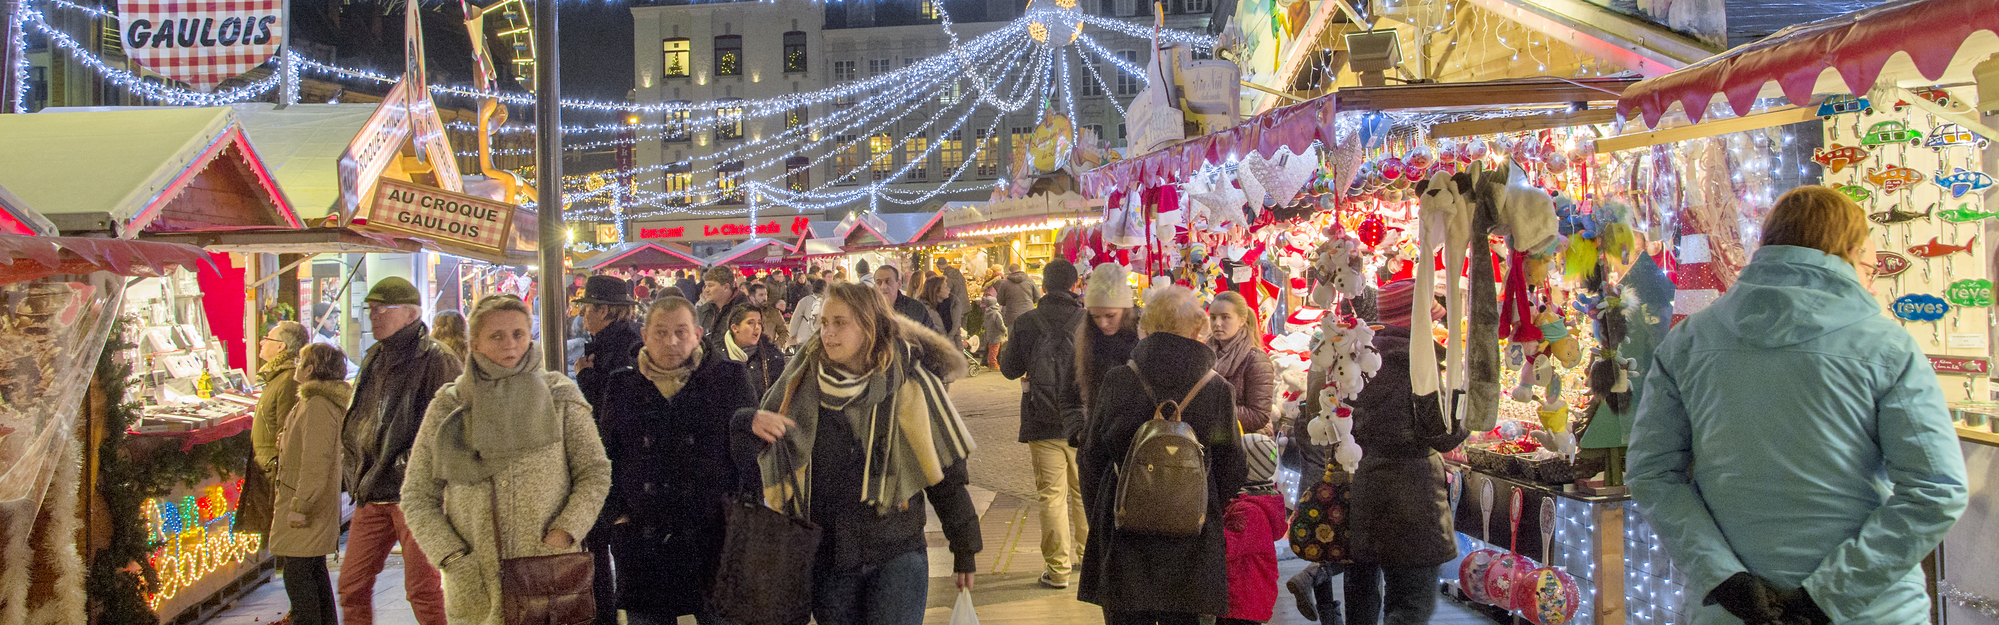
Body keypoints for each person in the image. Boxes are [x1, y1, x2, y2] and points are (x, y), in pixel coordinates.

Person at [1628, 186, 1969, 625]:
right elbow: (1936, 489)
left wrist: (1723, 579)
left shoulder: (1690, 341)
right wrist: (1830, 594)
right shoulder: (1888, 347)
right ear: (1850, 251)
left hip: (1733, 610)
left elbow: (1652, 473)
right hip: (1865, 611)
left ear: (1767, 244)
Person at [740, 283, 982, 625]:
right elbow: (761, 454)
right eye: (824, 323)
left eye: (840, 322)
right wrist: (744, 422)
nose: (828, 333)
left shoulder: (909, 383)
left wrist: (965, 548)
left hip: (897, 552)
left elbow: (946, 474)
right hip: (829, 559)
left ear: (869, 325)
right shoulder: (798, 384)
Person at [402, 295, 614, 625]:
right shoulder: (449, 407)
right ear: (475, 342)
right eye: (497, 336)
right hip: (475, 584)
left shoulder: (559, 396)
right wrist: (452, 555)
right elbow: (417, 495)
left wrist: (564, 532)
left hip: (547, 576)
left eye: (518, 333)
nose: (510, 344)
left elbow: (594, 472)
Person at [1077, 286, 1243, 625]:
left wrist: (1103, 515)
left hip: (1125, 533)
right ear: (1198, 328)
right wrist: (1201, 501)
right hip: (1190, 539)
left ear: (1147, 327)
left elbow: (1090, 456)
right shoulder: (1217, 389)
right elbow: (1233, 465)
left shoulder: (1119, 380)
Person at [597, 297, 759, 625]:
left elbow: (748, 457)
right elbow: (607, 456)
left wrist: (746, 519)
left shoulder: (728, 379)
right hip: (644, 539)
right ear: (644, 335)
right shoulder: (622, 385)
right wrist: (617, 516)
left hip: (714, 537)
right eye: (661, 332)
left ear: (698, 334)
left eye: (681, 332)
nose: (671, 341)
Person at [339, 277, 461, 625]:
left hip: (414, 491)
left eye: (381, 309)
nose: (373, 316)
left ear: (410, 314)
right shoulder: (374, 356)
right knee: (351, 585)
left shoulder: (436, 358)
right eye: (371, 309)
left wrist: (416, 471)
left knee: (423, 589)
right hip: (374, 487)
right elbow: (362, 417)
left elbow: (450, 427)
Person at [1342, 279, 1460, 625]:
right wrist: (1464, 406)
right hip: (1414, 501)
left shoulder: (1357, 359)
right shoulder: (1418, 365)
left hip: (1364, 491)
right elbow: (1443, 435)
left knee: (1364, 602)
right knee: (1410, 606)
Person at [999, 259, 1089, 589]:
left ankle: (1058, 571)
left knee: (1051, 497)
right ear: (1076, 284)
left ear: (1044, 286)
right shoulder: (1087, 321)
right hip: (1081, 422)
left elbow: (1008, 369)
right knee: (1083, 493)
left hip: (1042, 420)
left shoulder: (1027, 322)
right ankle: (1087, 557)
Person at [569, 275, 642, 625]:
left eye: (587, 308)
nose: (583, 314)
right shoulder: (608, 340)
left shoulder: (622, 346)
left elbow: (614, 403)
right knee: (600, 543)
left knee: (606, 544)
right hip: (610, 460)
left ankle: (607, 615)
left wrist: (584, 376)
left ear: (606, 310)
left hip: (616, 462)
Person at [270, 343, 352, 625]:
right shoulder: (311, 401)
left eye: (300, 361)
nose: (296, 366)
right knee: (312, 570)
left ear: (310, 369)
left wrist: (301, 505)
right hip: (303, 499)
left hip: (306, 504)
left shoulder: (317, 404)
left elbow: (316, 460)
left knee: (298, 574)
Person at [239, 320, 308, 537]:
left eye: (267, 338)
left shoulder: (288, 379)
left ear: (281, 346)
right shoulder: (277, 376)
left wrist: (280, 473)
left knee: (286, 542)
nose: (261, 342)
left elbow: (288, 431)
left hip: (274, 473)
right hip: (268, 468)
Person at [1067, 263, 1140, 435]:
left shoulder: (1143, 336)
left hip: (1137, 445)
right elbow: (1069, 395)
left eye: (1110, 315)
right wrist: (1078, 432)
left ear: (1126, 310)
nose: (1103, 324)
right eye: (1095, 316)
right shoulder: (1086, 339)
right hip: (1096, 446)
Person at [1221, 434, 1286, 625]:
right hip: (1249, 600)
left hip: (1241, 601)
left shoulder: (1248, 510)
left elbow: (1226, 548)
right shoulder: (1260, 501)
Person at [1209, 291, 1276, 432]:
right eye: (1213, 317)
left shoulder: (1256, 359)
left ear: (1242, 320)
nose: (1217, 324)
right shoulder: (1205, 354)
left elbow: (1258, 416)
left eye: (1225, 317)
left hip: (1242, 439)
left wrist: (1210, 407)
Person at [725, 306, 788, 399]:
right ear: (735, 328)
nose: (757, 327)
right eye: (750, 323)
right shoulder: (718, 356)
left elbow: (779, 396)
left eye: (759, 323)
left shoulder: (772, 355)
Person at [874, 265, 944, 333]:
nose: (883, 287)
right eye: (879, 282)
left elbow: (931, 338)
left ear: (898, 284)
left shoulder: (915, 308)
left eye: (888, 281)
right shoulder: (870, 310)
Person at [698, 266, 747, 342]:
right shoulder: (702, 311)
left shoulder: (744, 311)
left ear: (726, 287)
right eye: (705, 286)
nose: (706, 290)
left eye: (710, 285)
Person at [994, 263, 1039, 331]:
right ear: (1020, 270)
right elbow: (1037, 297)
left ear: (1009, 272)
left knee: (1014, 340)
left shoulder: (1005, 283)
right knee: (1029, 339)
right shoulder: (1029, 281)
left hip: (1012, 318)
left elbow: (1000, 300)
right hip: (1029, 315)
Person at [936, 257, 970, 342]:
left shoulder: (947, 278)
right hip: (966, 305)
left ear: (940, 268)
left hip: (956, 307)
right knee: (963, 331)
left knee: (957, 332)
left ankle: (960, 350)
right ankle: (964, 349)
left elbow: (946, 294)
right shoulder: (958, 273)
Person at [790, 278, 828, 350]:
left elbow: (796, 318)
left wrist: (792, 334)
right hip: (821, 338)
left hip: (804, 337)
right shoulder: (827, 302)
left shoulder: (805, 300)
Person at [978, 286, 1007, 368]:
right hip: (997, 334)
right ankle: (993, 364)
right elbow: (1000, 324)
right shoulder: (996, 313)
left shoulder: (987, 313)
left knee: (991, 349)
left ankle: (992, 363)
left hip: (990, 334)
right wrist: (1004, 330)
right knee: (995, 350)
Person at [921, 273, 956, 340]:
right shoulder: (927, 310)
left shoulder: (943, 306)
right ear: (936, 291)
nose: (949, 289)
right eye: (945, 287)